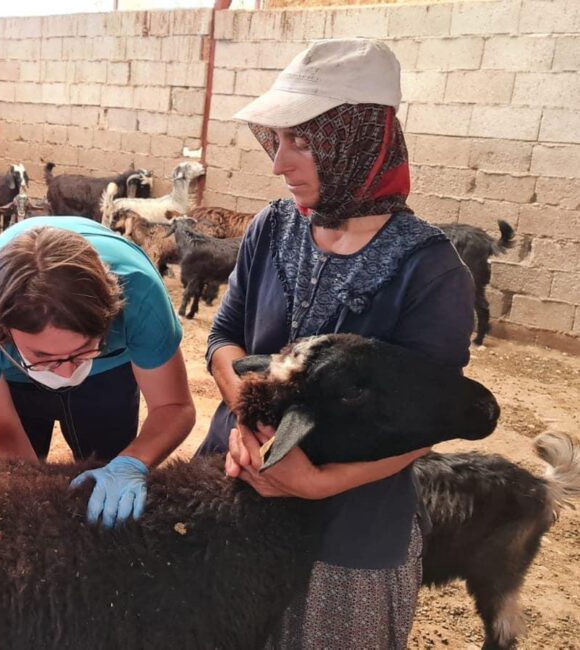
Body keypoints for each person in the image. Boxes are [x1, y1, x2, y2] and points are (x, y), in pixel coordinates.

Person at [200, 39, 475, 647]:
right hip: (232, 485)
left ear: (359, 141)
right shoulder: (270, 229)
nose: (279, 163)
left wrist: (317, 481)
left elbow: (429, 419)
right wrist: (249, 427)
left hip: (347, 522)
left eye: (304, 141)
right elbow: (224, 337)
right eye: (279, 139)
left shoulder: (430, 272)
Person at [0, 217, 196, 529]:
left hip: (109, 367)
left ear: (110, 316)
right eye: (44, 356)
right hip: (17, 376)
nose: (64, 373)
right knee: (19, 478)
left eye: (81, 349)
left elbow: (174, 406)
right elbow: (3, 431)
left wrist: (132, 462)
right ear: (1, 330)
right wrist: (39, 507)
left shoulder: (139, 295)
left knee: (108, 456)